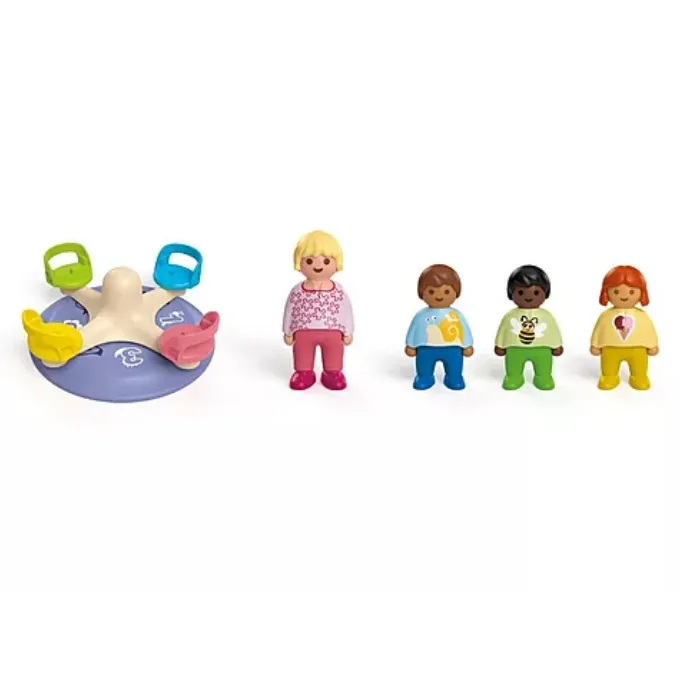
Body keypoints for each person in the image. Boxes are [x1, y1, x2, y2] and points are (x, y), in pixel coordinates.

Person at [282, 230, 354, 390]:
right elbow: (289, 311)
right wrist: (288, 331)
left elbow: (346, 311)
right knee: (302, 352)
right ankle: (304, 372)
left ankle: (332, 372)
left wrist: (348, 332)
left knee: (334, 353)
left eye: (326, 261)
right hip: (303, 331)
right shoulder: (297, 291)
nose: (318, 266)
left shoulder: (338, 291)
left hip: (333, 331)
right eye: (309, 261)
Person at [404, 264, 474, 390]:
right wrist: (411, 345)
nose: (439, 296)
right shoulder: (421, 316)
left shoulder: (456, 315)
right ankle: (424, 377)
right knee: (424, 366)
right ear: (421, 293)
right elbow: (414, 330)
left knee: (455, 366)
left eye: (446, 291)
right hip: (425, 348)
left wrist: (467, 345)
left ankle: (454, 377)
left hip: (453, 348)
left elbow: (464, 330)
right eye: (431, 291)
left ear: (456, 292)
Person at [494, 265, 563, 390]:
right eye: (520, 292)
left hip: (542, 348)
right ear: (511, 293)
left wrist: (556, 345)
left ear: (545, 293)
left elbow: (553, 331)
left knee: (543, 365)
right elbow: (503, 330)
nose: (528, 296)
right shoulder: (510, 316)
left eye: (536, 292)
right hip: (515, 348)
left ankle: (543, 376)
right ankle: (514, 377)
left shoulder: (546, 316)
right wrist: (500, 345)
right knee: (513, 365)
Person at [590, 265, 658, 390]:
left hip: (638, 349)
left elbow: (649, 331)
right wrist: (595, 345)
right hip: (610, 348)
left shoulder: (642, 316)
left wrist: (652, 345)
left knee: (639, 366)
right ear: (606, 292)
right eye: (616, 292)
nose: (624, 296)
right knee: (608, 366)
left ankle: (639, 376)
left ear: (642, 292)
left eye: (632, 292)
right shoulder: (605, 316)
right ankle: (609, 376)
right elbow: (599, 330)